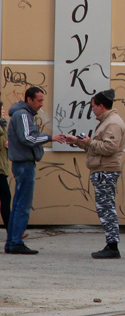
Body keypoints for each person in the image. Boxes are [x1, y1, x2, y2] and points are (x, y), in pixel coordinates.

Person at [63, 89, 125, 259]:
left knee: (106, 209)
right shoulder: (107, 121)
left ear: (101, 105)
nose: (92, 110)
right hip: (102, 169)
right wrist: (78, 141)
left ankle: (112, 246)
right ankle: (111, 245)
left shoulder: (112, 123)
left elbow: (109, 148)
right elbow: (97, 147)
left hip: (106, 170)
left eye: (93, 106)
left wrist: (89, 141)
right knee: (105, 208)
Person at [6, 86, 65, 255]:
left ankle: (12, 241)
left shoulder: (22, 114)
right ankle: (16, 242)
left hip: (22, 163)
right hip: (24, 164)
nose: (41, 104)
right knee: (23, 205)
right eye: (39, 100)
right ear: (29, 100)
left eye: (42, 100)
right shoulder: (23, 115)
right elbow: (28, 138)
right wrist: (50, 137)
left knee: (18, 204)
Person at [0, 115, 10, 232]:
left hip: (2, 167)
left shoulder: (3, 127)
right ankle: (11, 229)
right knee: (6, 197)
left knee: (5, 197)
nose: (3, 112)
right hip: (0, 169)